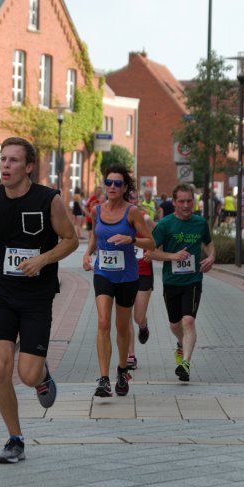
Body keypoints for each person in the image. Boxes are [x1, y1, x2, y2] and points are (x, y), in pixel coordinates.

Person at [0, 137, 78, 463]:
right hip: (2, 292)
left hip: (37, 297)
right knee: (0, 370)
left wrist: (43, 259)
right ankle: (15, 439)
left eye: (13, 160)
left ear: (29, 167)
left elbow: (70, 240)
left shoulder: (48, 200)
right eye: (3, 159)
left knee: (27, 375)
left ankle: (41, 377)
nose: (5, 165)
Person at [82, 165, 154, 397]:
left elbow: (151, 243)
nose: (112, 187)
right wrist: (87, 253)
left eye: (117, 183)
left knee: (122, 326)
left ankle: (122, 370)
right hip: (103, 273)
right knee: (103, 321)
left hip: (127, 276)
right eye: (109, 182)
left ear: (124, 188)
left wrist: (131, 239)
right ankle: (104, 379)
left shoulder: (132, 212)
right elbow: (95, 235)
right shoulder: (96, 210)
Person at [149, 184, 214, 382]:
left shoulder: (200, 223)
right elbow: (151, 252)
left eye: (189, 201)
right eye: (182, 201)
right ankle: (181, 343)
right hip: (171, 280)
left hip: (193, 280)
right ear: (174, 203)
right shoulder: (165, 224)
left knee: (189, 321)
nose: (186, 205)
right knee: (175, 324)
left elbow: (208, 243)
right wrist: (173, 256)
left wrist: (211, 257)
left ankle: (185, 364)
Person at [127, 189, 156, 369]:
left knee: (137, 317)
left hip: (143, 272)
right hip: (124, 273)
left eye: (134, 198)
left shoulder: (145, 219)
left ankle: (143, 325)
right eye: (129, 198)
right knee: (125, 317)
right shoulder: (118, 220)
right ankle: (131, 355)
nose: (132, 201)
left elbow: (157, 239)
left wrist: (152, 252)